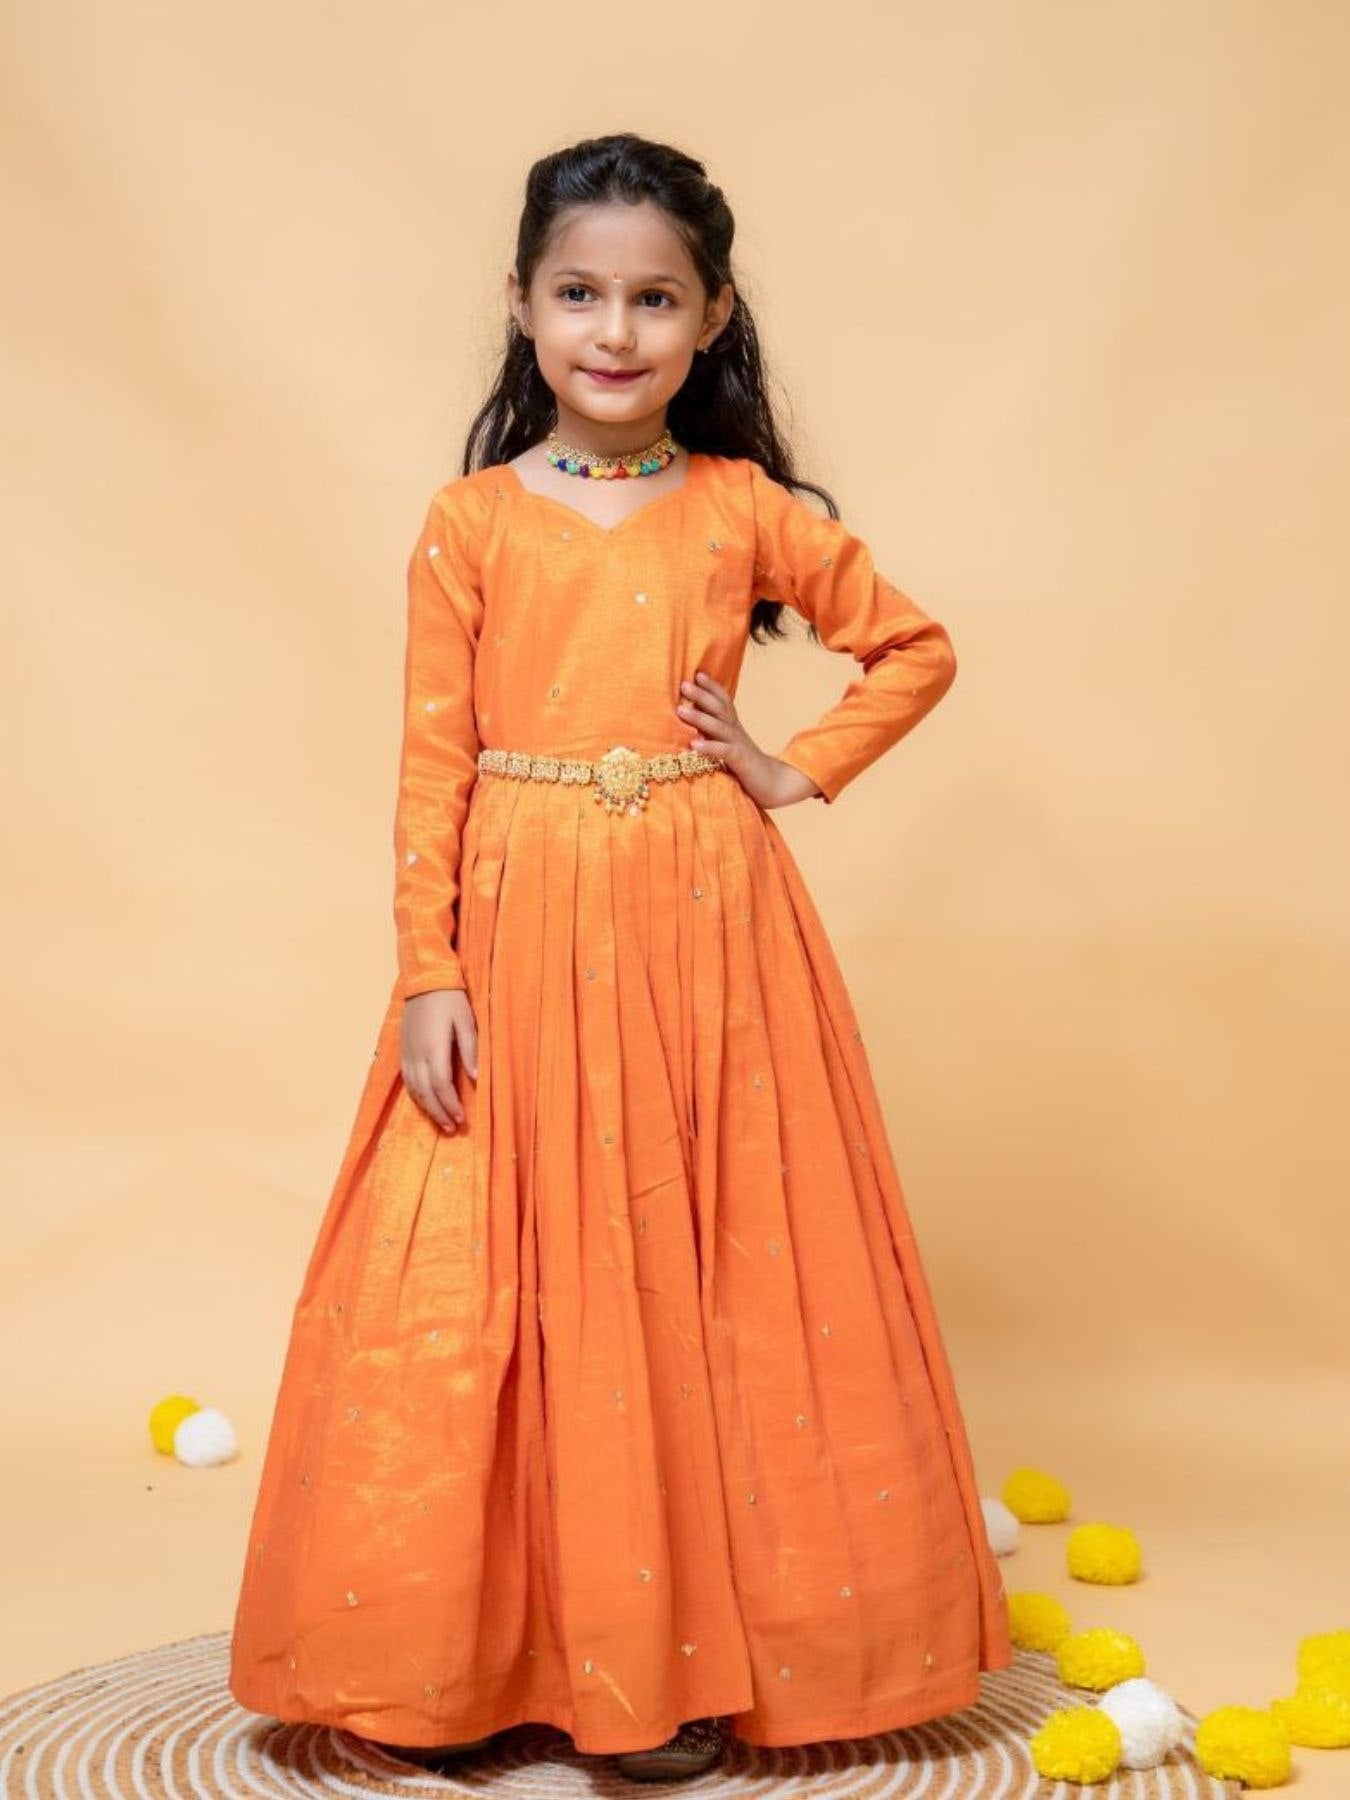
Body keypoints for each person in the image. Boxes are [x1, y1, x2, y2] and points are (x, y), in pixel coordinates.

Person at [227, 129, 1013, 1784]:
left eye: (654, 298)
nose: (614, 329)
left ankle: (673, 1674)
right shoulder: (465, 524)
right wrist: (425, 973)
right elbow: (430, 762)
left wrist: (799, 763)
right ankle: (462, 1669)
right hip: (513, 929)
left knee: (702, 1268)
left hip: (709, 930)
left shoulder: (740, 509)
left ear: (713, 317)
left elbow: (912, 646)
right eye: (579, 292)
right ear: (519, 306)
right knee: (487, 1278)